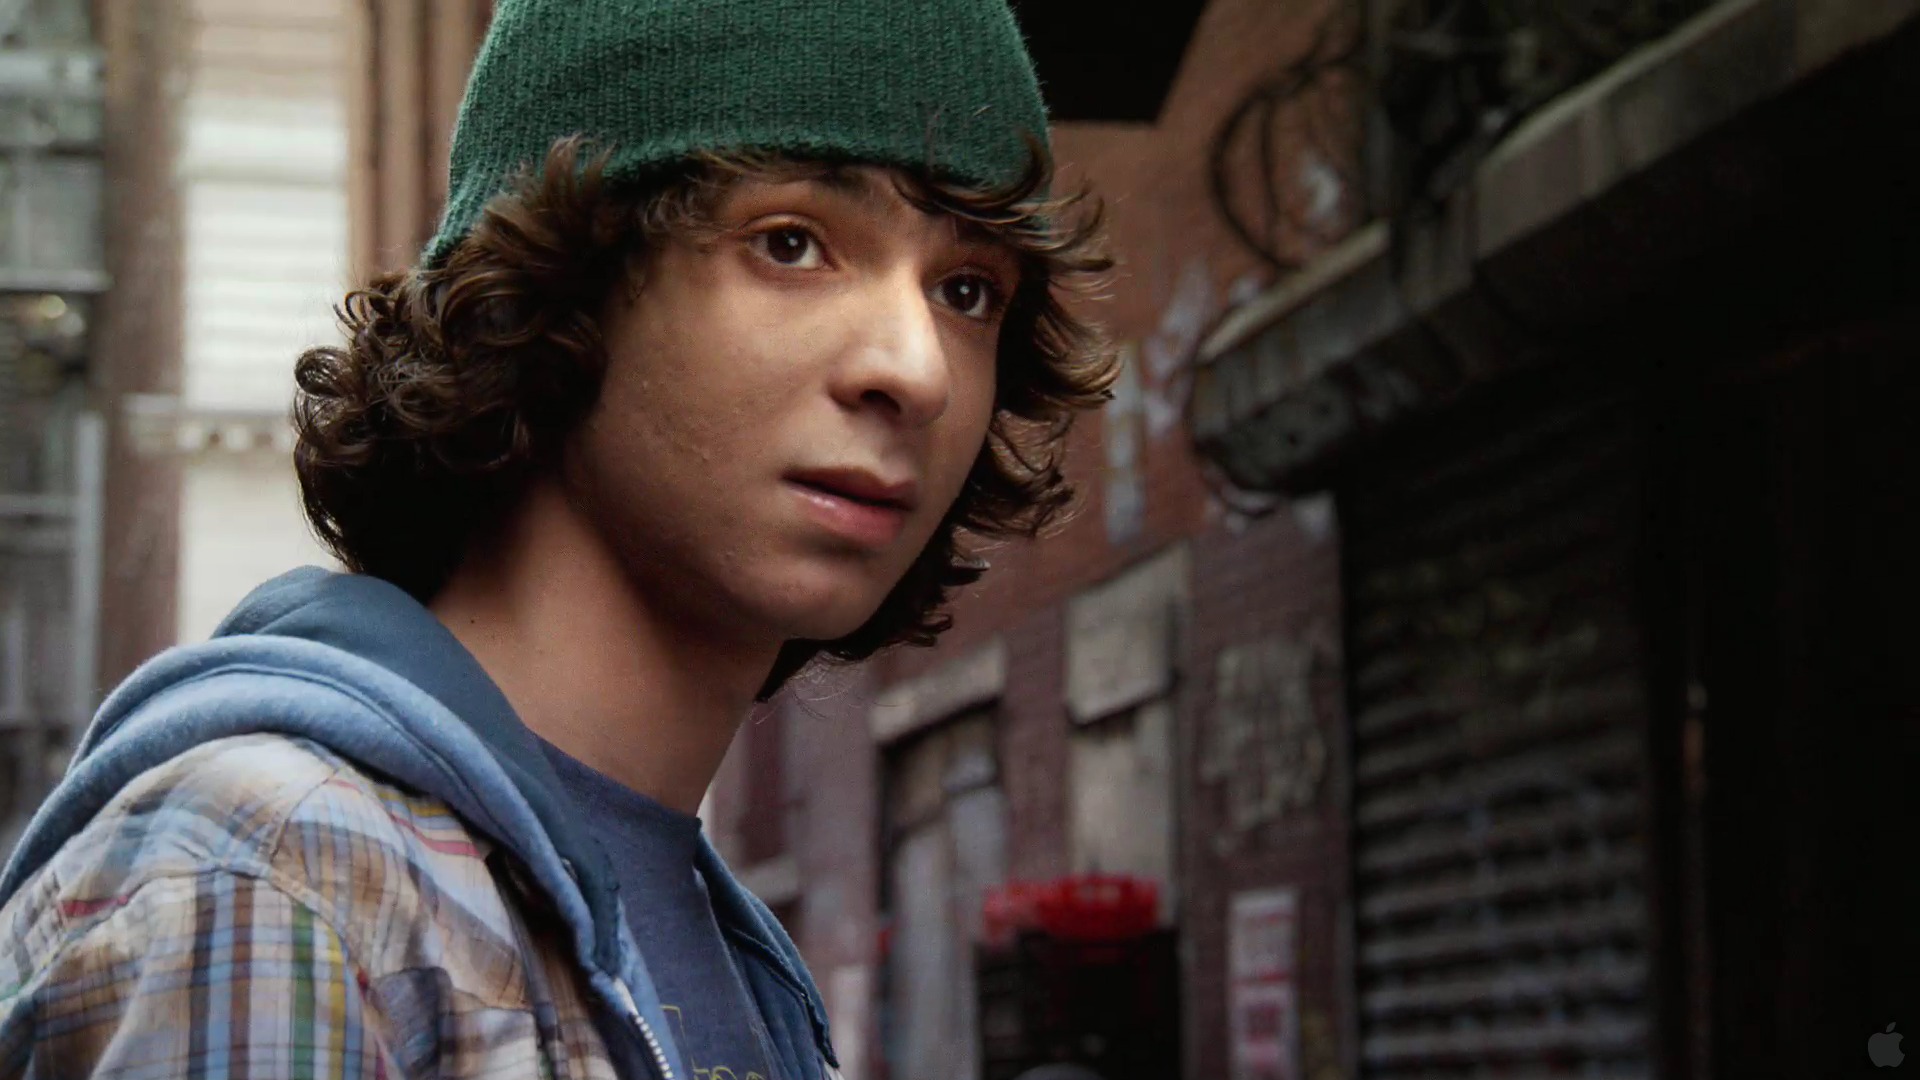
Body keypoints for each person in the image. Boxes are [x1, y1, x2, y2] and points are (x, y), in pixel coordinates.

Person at [0, 1, 1113, 1077]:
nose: (917, 369)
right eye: (791, 244)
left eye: (968, 291)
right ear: (558, 288)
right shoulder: (281, 875)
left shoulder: (707, 934)